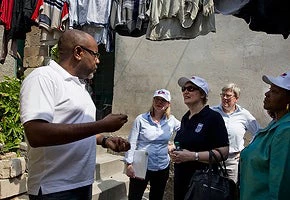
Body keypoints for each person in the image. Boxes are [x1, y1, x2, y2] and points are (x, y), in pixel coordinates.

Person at [20, 29, 130, 200]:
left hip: (81, 183)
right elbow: (36, 134)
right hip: (54, 189)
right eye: (95, 54)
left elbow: (78, 127)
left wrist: (104, 140)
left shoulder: (80, 86)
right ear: (78, 52)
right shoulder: (43, 78)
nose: (98, 60)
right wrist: (102, 124)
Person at [169, 75, 229, 200]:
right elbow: (186, 144)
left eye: (191, 88)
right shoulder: (186, 117)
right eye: (184, 89)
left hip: (203, 183)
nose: (185, 91)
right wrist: (174, 150)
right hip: (182, 181)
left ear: (202, 94)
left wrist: (193, 156)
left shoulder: (213, 117)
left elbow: (224, 152)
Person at [240, 71, 290, 200]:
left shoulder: (286, 131)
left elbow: (280, 184)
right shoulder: (275, 125)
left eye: (275, 91)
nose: (267, 94)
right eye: (270, 89)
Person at [124, 89, 181, 200]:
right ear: (153, 101)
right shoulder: (141, 119)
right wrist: (129, 164)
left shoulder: (172, 120)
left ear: (168, 104)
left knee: (157, 196)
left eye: (163, 100)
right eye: (157, 99)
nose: (159, 103)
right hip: (141, 165)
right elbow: (132, 141)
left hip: (162, 165)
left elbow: (186, 132)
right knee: (135, 196)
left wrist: (175, 146)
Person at [211, 83, 260, 183]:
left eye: (228, 95)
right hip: (213, 158)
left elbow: (259, 133)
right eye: (223, 95)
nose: (225, 98)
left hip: (232, 161)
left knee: (230, 191)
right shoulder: (212, 111)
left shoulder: (244, 114)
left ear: (236, 98)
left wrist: (246, 150)